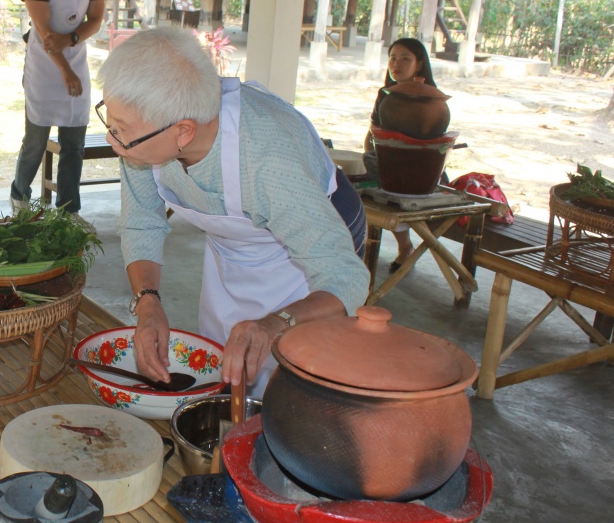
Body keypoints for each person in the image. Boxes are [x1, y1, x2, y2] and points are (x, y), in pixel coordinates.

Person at [97, 27, 370, 396]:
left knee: (292, 386)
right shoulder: (146, 133)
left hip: (317, 240)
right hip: (240, 242)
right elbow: (142, 221)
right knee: (222, 367)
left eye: (121, 132)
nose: (113, 142)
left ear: (183, 133)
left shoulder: (268, 160)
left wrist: (277, 322)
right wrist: (148, 304)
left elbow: (346, 278)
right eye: (109, 123)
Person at [10, 0, 106, 217]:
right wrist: (65, 70)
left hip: (76, 60)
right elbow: (45, 31)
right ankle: (20, 198)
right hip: (45, 65)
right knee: (35, 140)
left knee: (74, 144)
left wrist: (74, 38)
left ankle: (69, 211)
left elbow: (96, 18)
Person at [363, 37, 438, 273]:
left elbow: (432, 140)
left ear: (419, 64)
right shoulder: (385, 94)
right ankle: (360, 244)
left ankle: (405, 247)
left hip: (417, 167)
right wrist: (370, 153)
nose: (397, 64)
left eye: (405, 58)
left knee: (396, 189)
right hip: (385, 161)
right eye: (393, 58)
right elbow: (373, 131)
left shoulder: (430, 97)